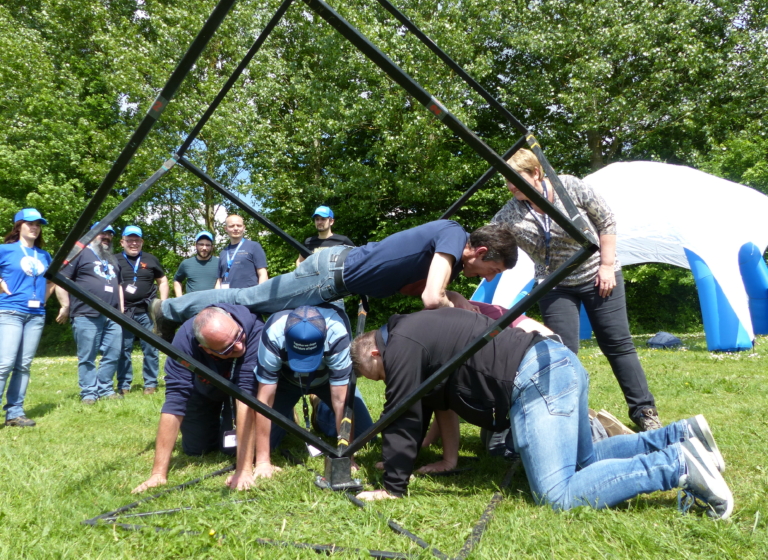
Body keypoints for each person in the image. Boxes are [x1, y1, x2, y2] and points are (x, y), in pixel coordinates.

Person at [350, 308, 733, 520]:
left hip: (537, 379)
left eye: (378, 375)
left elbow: (402, 411)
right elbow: (426, 405)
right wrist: (398, 459)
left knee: (558, 494)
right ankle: (681, 436)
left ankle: (677, 464)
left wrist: (393, 488)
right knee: (582, 463)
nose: (386, 379)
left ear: (374, 354)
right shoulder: (415, 331)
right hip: (555, 364)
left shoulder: (400, 344)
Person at [491, 149, 661, 430]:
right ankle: (567, 417)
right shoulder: (512, 210)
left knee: (617, 344)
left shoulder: (568, 186)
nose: (510, 186)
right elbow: (490, 235)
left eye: (515, 179)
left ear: (536, 173)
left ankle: (645, 412)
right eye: (507, 181)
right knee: (562, 350)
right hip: (554, 284)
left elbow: (606, 220)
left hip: (597, 275)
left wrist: (606, 266)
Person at [151, 221, 517, 334]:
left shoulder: (446, 257)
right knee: (246, 298)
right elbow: (431, 299)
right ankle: (168, 310)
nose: (485, 277)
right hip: (329, 277)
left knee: (336, 343)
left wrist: (460, 301)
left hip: (334, 278)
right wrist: (472, 315)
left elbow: (425, 289)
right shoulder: (454, 235)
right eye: (492, 271)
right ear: (482, 253)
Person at [132, 304, 264, 493]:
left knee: (231, 449)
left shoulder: (252, 327)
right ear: (206, 349)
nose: (240, 346)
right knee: (196, 449)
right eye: (228, 348)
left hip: (239, 391)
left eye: (238, 336)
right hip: (203, 389)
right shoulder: (184, 341)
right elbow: (175, 400)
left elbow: (246, 396)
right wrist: (158, 474)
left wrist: (244, 470)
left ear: (231, 318)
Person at [248, 305, 373, 481]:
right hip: (285, 382)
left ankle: (319, 406)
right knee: (264, 445)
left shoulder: (338, 333)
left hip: (326, 381)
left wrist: (347, 458)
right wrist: (262, 462)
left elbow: (340, 400)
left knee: (366, 434)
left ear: (326, 332)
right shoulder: (273, 332)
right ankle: (287, 415)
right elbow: (264, 400)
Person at [55, 223, 124, 404]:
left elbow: (119, 286)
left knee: (113, 353)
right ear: (92, 234)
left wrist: (121, 312)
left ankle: (105, 388)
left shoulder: (112, 259)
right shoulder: (79, 253)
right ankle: (89, 393)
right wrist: (65, 305)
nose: (107, 237)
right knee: (87, 356)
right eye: (103, 233)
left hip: (113, 314)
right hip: (86, 313)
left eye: (110, 234)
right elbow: (62, 279)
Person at [0, 209, 55, 427]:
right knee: (4, 364)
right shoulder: (5, 250)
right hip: (10, 311)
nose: (34, 227)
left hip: (35, 315)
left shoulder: (44, 255)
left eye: (38, 224)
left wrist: (44, 300)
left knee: (23, 365)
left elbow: (51, 281)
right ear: (18, 226)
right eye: (30, 223)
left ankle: (15, 413)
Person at [115, 225, 169, 395]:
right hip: (124, 313)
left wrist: (163, 304)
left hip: (147, 312)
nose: (133, 243)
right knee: (123, 349)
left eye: (137, 240)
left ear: (142, 242)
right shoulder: (114, 260)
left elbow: (163, 281)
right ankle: (124, 385)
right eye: (129, 240)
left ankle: (151, 384)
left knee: (151, 348)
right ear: (122, 242)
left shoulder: (151, 259)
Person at [215, 214, 268, 289]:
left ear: (243, 228)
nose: (236, 228)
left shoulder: (254, 246)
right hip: (227, 298)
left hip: (249, 297)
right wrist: (217, 298)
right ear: (226, 229)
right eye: (231, 226)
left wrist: (260, 294)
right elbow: (219, 280)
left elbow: (263, 274)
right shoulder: (223, 252)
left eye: (239, 225)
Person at [173, 231, 220, 296]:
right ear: (196, 245)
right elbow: (177, 280)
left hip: (213, 304)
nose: (204, 248)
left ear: (212, 247)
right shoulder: (186, 263)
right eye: (201, 244)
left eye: (207, 245)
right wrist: (180, 299)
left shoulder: (219, 263)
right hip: (192, 304)